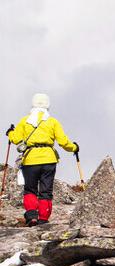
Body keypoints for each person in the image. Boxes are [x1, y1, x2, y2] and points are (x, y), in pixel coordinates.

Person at [5, 93, 78, 226]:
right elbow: (63, 142)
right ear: (47, 105)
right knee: (46, 191)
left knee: (30, 189)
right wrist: (74, 148)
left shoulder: (25, 120)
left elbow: (15, 139)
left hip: (30, 159)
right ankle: (43, 218)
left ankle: (32, 216)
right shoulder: (52, 121)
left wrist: (10, 132)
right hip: (49, 159)